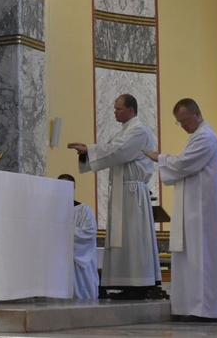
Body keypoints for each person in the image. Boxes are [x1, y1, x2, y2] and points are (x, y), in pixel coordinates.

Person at [143, 98, 217, 323]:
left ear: (197, 114)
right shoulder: (197, 136)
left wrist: (159, 157)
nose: (183, 125)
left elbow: (184, 164)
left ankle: (206, 310)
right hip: (192, 212)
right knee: (190, 259)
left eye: (185, 120)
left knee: (202, 258)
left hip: (203, 213)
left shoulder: (206, 137)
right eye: (179, 122)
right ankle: (190, 306)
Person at [67, 94, 161, 300]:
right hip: (121, 192)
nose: (115, 112)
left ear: (130, 109)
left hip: (132, 194)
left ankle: (139, 285)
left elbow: (116, 152)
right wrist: (88, 153)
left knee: (133, 239)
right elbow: (111, 151)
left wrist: (89, 150)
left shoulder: (138, 131)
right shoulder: (124, 132)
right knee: (123, 239)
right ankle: (126, 283)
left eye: (118, 109)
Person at [58, 173, 99, 300]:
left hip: (79, 263)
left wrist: (62, 230)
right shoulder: (51, 211)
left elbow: (88, 234)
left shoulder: (84, 210)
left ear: (73, 188)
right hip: (58, 261)